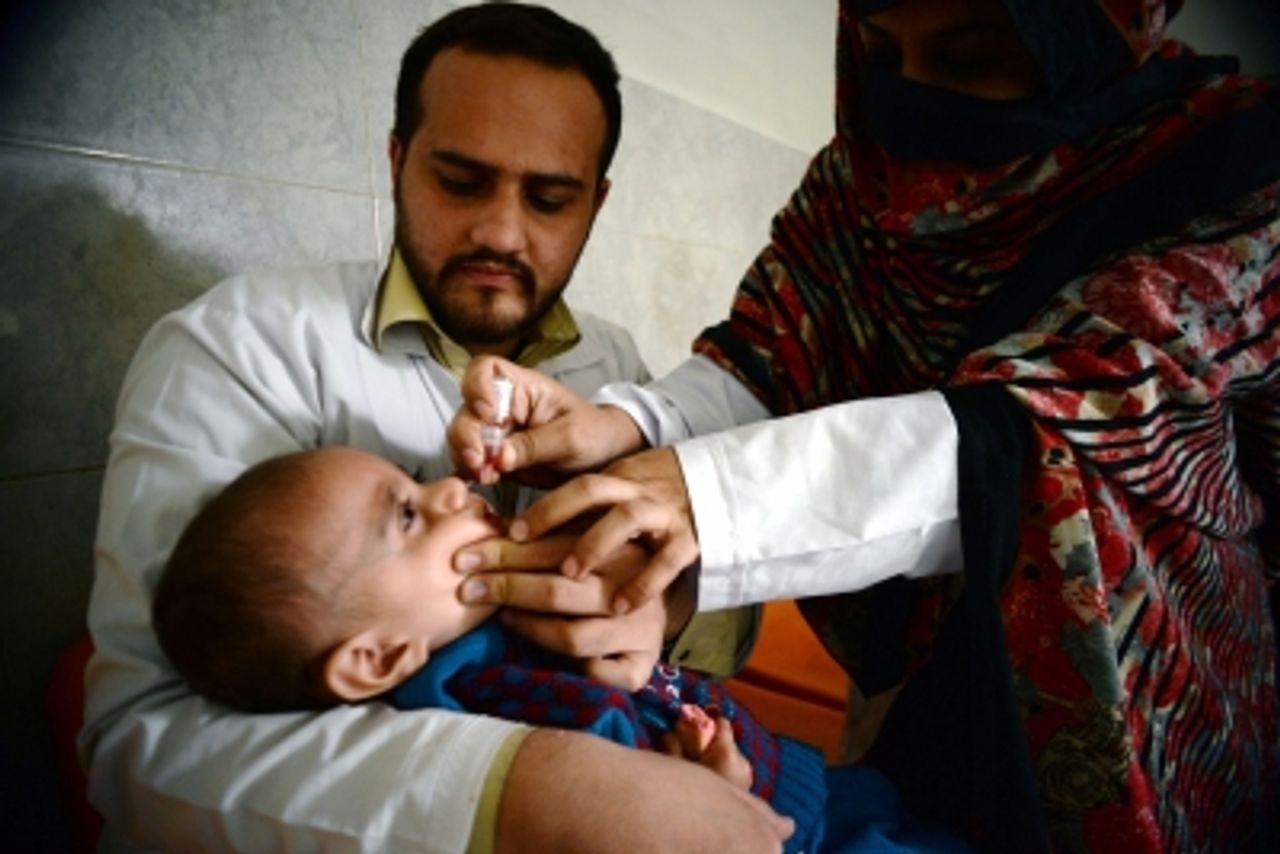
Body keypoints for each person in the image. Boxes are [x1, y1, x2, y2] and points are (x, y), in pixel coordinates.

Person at [448, 1, 1280, 851]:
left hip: (1148, 697)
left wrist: (701, 501)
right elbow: (773, 354)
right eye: (881, 55)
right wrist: (630, 421)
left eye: (970, 54)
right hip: (907, 678)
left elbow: (1061, 409)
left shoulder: (1239, 165)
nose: (914, 97)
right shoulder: (858, 182)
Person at [83, 4, 793, 852]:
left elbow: (722, 617)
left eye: (549, 199)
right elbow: (145, 741)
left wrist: (659, 607)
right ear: (397, 160)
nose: (499, 232)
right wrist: (531, 790)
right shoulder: (238, 347)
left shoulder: (616, 367)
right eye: (460, 181)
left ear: (596, 203)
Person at [151, 445, 837, 854]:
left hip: (808, 782)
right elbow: (656, 816)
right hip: (788, 826)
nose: (452, 487)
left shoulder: (496, 621)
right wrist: (719, 792)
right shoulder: (486, 699)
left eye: (414, 482)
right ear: (378, 659)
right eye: (408, 514)